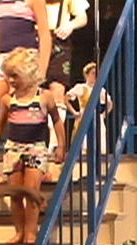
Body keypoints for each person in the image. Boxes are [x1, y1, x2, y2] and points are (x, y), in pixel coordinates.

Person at [0, 47, 65, 244]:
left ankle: (31, 232)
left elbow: (56, 121)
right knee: (15, 193)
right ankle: (19, 230)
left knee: (31, 191)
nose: (10, 80)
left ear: (29, 74)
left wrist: (61, 146)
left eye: (15, 76)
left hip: (36, 148)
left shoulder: (44, 97)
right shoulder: (8, 100)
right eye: (8, 76)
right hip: (14, 148)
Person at [0, 0, 51, 185]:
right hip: (3, 61)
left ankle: (39, 168)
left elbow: (44, 35)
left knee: (28, 113)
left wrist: (41, 71)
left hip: (25, 60)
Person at [45, 0, 89, 150]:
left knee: (57, 90)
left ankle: (54, 143)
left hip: (59, 42)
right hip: (35, 39)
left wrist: (70, 25)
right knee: (31, 89)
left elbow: (82, 17)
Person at [66, 62, 113, 154]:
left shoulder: (100, 89)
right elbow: (66, 99)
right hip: (84, 115)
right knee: (84, 143)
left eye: (96, 74)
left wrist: (103, 115)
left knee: (100, 142)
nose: (95, 76)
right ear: (86, 75)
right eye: (92, 73)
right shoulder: (81, 87)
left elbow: (110, 103)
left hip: (96, 117)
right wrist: (74, 112)